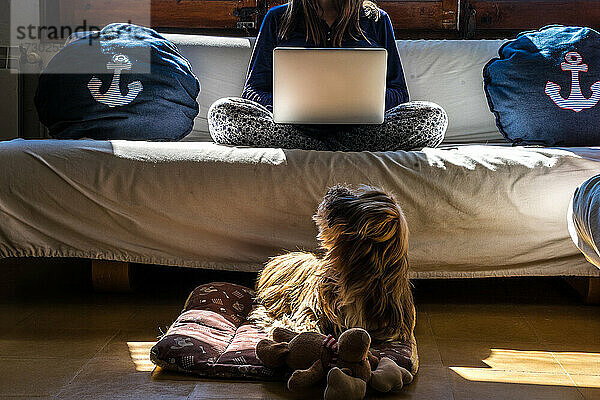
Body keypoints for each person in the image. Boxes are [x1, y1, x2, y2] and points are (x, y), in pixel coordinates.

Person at [207, 0, 448, 151]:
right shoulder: (277, 19)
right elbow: (252, 91)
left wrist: (367, 103)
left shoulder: (376, 20)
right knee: (222, 114)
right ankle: (329, 147)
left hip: (362, 130)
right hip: (294, 129)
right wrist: (289, 107)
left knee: (433, 118)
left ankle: (315, 149)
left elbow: (400, 92)